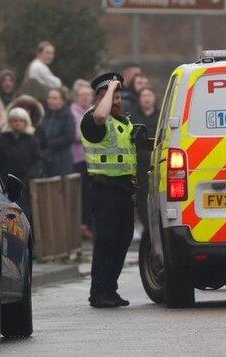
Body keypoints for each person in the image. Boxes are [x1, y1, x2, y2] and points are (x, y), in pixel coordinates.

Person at [80, 73, 147, 308]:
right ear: (101, 97)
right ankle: (98, 292)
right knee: (106, 241)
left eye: (119, 97)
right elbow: (100, 115)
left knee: (122, 241)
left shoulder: (124, 122)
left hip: (124, 191)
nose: (118, 101)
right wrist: (108, 91)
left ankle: (110, 288)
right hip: (104, 189)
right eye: (113, 97)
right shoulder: (93, 120)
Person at [0, 108, 42, 223]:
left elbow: (37, 161)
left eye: (21, 120)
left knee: (23, 216)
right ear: (10, 122)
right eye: (15, 120)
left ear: (26, 122)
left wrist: (29, 178)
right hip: (4, 184)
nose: (17, 123)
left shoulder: (32, 141)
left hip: (24, 185)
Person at [129, 86, 159, 225]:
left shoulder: (160, 115)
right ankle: (146, 224)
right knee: (142, 194)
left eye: (149, 95)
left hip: (157, 160)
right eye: (144, 96)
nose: (146, 98)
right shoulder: (133, 117)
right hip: (139, 162)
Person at [71, 80, 94, 240]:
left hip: (93, 159)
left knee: (90, 194)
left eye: (88, 95)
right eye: (82, 95)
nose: (85, 98)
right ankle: (80, 226)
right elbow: (76, 135)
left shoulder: (94, 111)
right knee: (80, 193)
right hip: (78, 159)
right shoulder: (72, 112)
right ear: (76, 97)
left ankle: (88, 225)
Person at [41, 88, 75, 178]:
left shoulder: (67, 116)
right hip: (48, 160)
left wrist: (48, 143)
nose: (50, 101)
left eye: (54, 98)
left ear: (63, 100)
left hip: (62, 161)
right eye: (49, 98)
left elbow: (69, 137)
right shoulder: (47, 115)